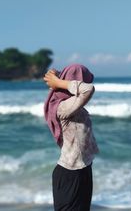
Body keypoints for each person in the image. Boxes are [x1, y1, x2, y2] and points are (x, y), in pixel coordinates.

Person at [44, 63, 99, 211]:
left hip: (83, 168)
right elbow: (88, 89)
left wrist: (57, 75)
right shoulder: (63, 106)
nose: (84, 83)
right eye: (81, 80)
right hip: (69, 174)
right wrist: (59, 82)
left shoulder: (74, 104)